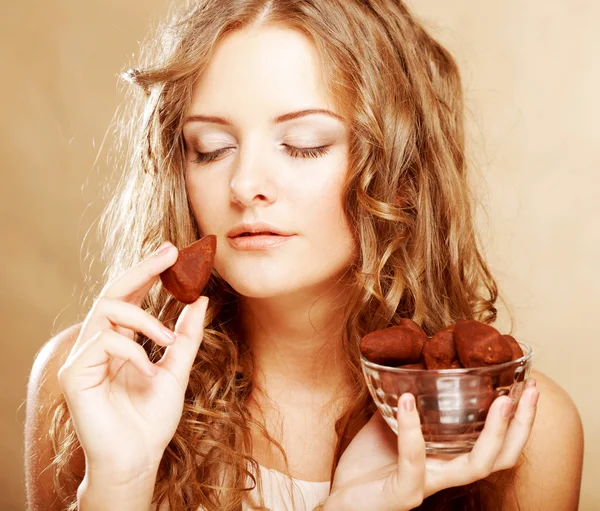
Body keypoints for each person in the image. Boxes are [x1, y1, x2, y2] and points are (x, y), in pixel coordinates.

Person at [24, 1, 584, 510]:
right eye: (211, 149)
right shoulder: (91, 382)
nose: (245, 185)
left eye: (304, 144)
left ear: (401, 171)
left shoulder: (524, 427)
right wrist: (118, 485)